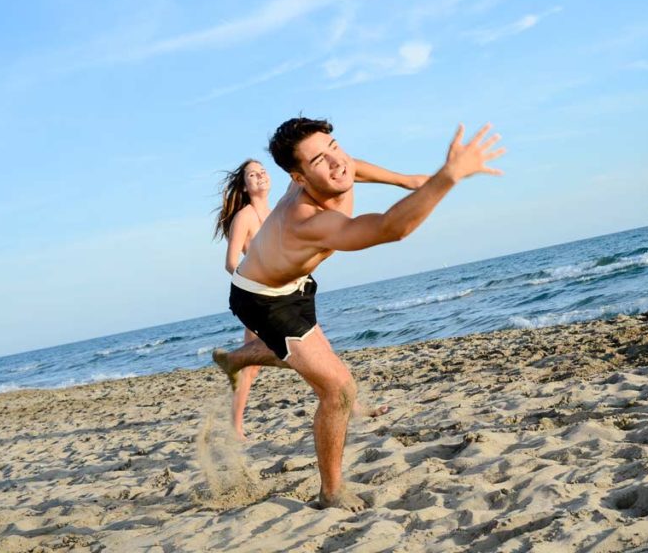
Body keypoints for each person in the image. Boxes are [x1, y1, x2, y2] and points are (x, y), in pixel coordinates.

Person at [212, 117, 504, 511]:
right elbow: (390, 228)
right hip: (262, 299)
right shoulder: (308, 221)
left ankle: (235, 359)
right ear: (298, 177)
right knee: (339, 389)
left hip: (295, 284)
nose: (337, 162)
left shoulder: (333, 168)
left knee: (312, 360)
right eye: (319, 160)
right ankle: (331, 492)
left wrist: (407, 181)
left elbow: (353, 166)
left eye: (334, 146)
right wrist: (447, 176)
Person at [213, 158, 426, 440]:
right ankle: (236, 427)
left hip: (293, 292)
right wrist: (265, 280)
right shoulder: (246, 216)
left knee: (319, 353)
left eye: (263, 171)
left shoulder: (278, 208)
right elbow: (231, 263)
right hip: (264, 296)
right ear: (244, 184)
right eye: (253, 174)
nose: (261, 176)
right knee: (259, 366)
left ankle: (353, 405)